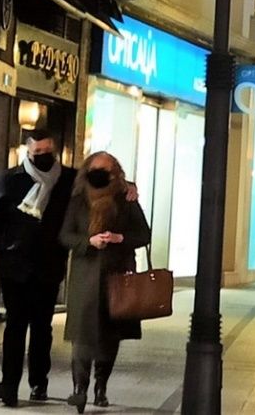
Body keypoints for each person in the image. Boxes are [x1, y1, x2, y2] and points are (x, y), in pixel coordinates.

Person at [0, 130, 77, 407]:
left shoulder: (69, 179)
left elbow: (102, 184)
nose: (42, 156)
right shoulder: (12, 179)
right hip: (14, 265)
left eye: (47, 151)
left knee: (42, 328)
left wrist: (127, 186)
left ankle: (39, 382)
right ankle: (9, 385)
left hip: (49, 265)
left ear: (54, 149)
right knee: (15, 327)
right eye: (37, 153)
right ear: (27, 152)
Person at [59, 152, 150, 412]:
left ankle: (101, 386)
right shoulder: (78, 200)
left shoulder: (126, 199)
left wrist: (120, 238)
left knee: (110, 336)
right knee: (82, 336)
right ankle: (79, 389)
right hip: (85, 279)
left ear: (115, 173)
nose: (99, 174)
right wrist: (88, 242)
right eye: (95, 169)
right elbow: (65, 235)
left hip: (117, 277)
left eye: (105, 170)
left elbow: (144, 234)